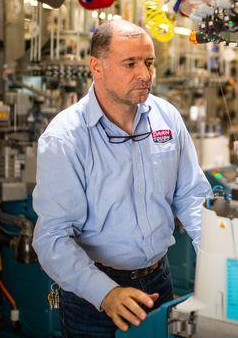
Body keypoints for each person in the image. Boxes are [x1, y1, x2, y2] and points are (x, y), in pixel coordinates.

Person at [32, 20, 210, 337]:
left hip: (158, 281)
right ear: (96, 67)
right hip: (94, 294)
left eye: (149, 62)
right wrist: (106, 293)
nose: (145, 74)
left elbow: (191, 196)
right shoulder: (65, 138)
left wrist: (213, 254)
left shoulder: (166, 117)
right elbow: (53, 238)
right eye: (130, 64)